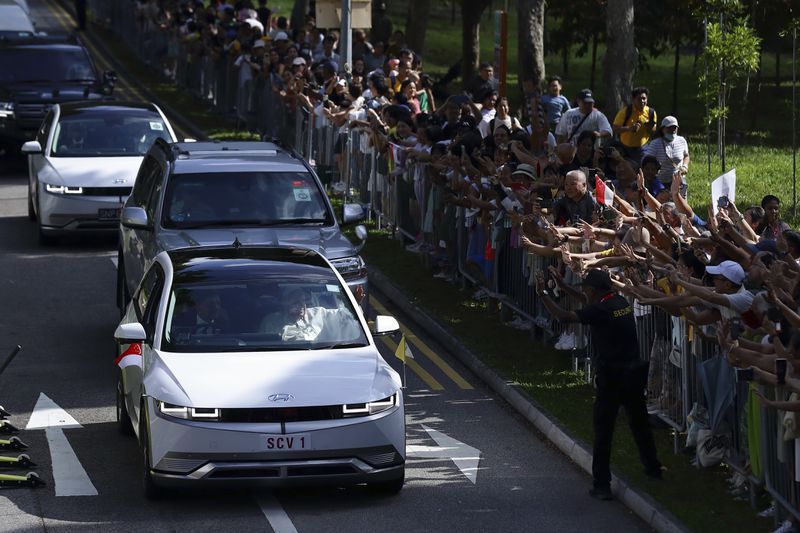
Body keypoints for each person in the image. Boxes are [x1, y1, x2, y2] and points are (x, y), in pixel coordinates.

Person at [534, 268, 663, 500]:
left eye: (587, 289)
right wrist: (563, 287)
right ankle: (653, 469)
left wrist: (543, 293)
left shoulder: (602, 308)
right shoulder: (618, 301)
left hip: (613, 376)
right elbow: (588, 303)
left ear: (594, 290)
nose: (586, 293)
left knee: (604, 430)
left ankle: (602, 484)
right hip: (632, 372)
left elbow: (565, 317)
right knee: (639, 424)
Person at [260, 286, 364, 341]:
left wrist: (354, 304)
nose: (301, 305)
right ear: (285, 304)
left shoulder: (319, 313)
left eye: (302, 301)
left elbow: (342, 317)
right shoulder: (271, 321)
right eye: (295, 302)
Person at [642, 116, 690, 190]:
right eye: (669, 128)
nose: (672, 130)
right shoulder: (655, 144)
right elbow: (647, 160)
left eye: (674, 128)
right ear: (662, 129)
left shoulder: (682, 141)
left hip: (678, 181)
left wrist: (685, 166)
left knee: (680, 201)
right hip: (660, 182)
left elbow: (686, 156)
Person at [612, 86, 657, 162]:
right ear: (633, 100)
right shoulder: (625, 112)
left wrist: (649, 127)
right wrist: (629, 128)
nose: (642, 101)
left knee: (641, 169)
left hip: (643, 148)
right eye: (639, 99)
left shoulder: (651, 112)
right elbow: (615, 128)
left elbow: (653, 130)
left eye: (644, 98)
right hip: (624, 148)